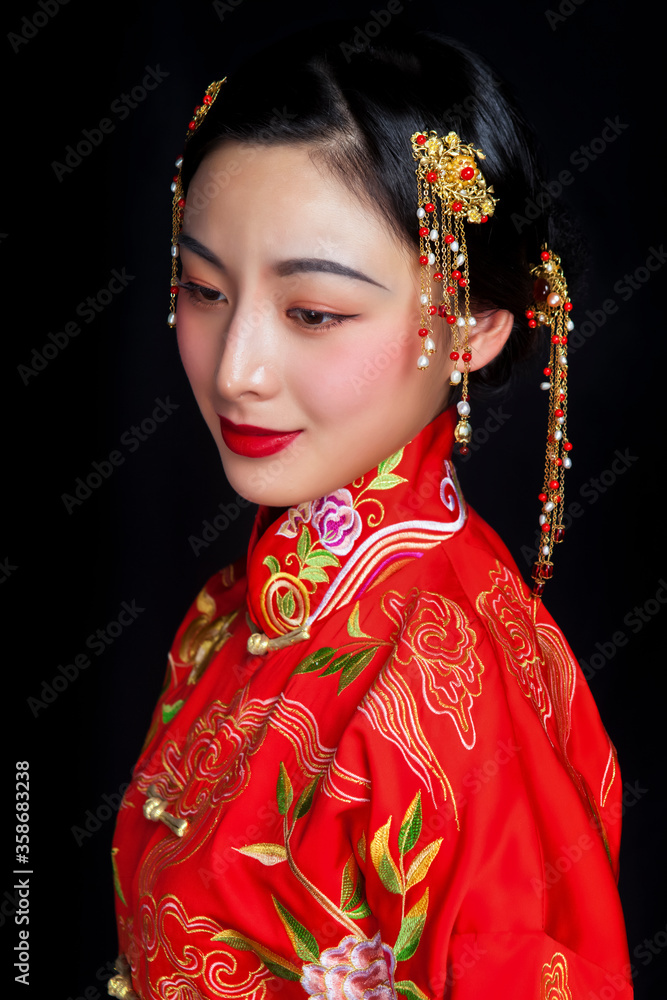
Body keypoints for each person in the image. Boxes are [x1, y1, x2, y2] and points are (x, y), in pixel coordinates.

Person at [109, 25, 633, 1000]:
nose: (237, 370)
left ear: (471, 324)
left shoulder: (449, 699)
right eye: (203, 289)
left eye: (313, 311)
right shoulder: (246, 605)